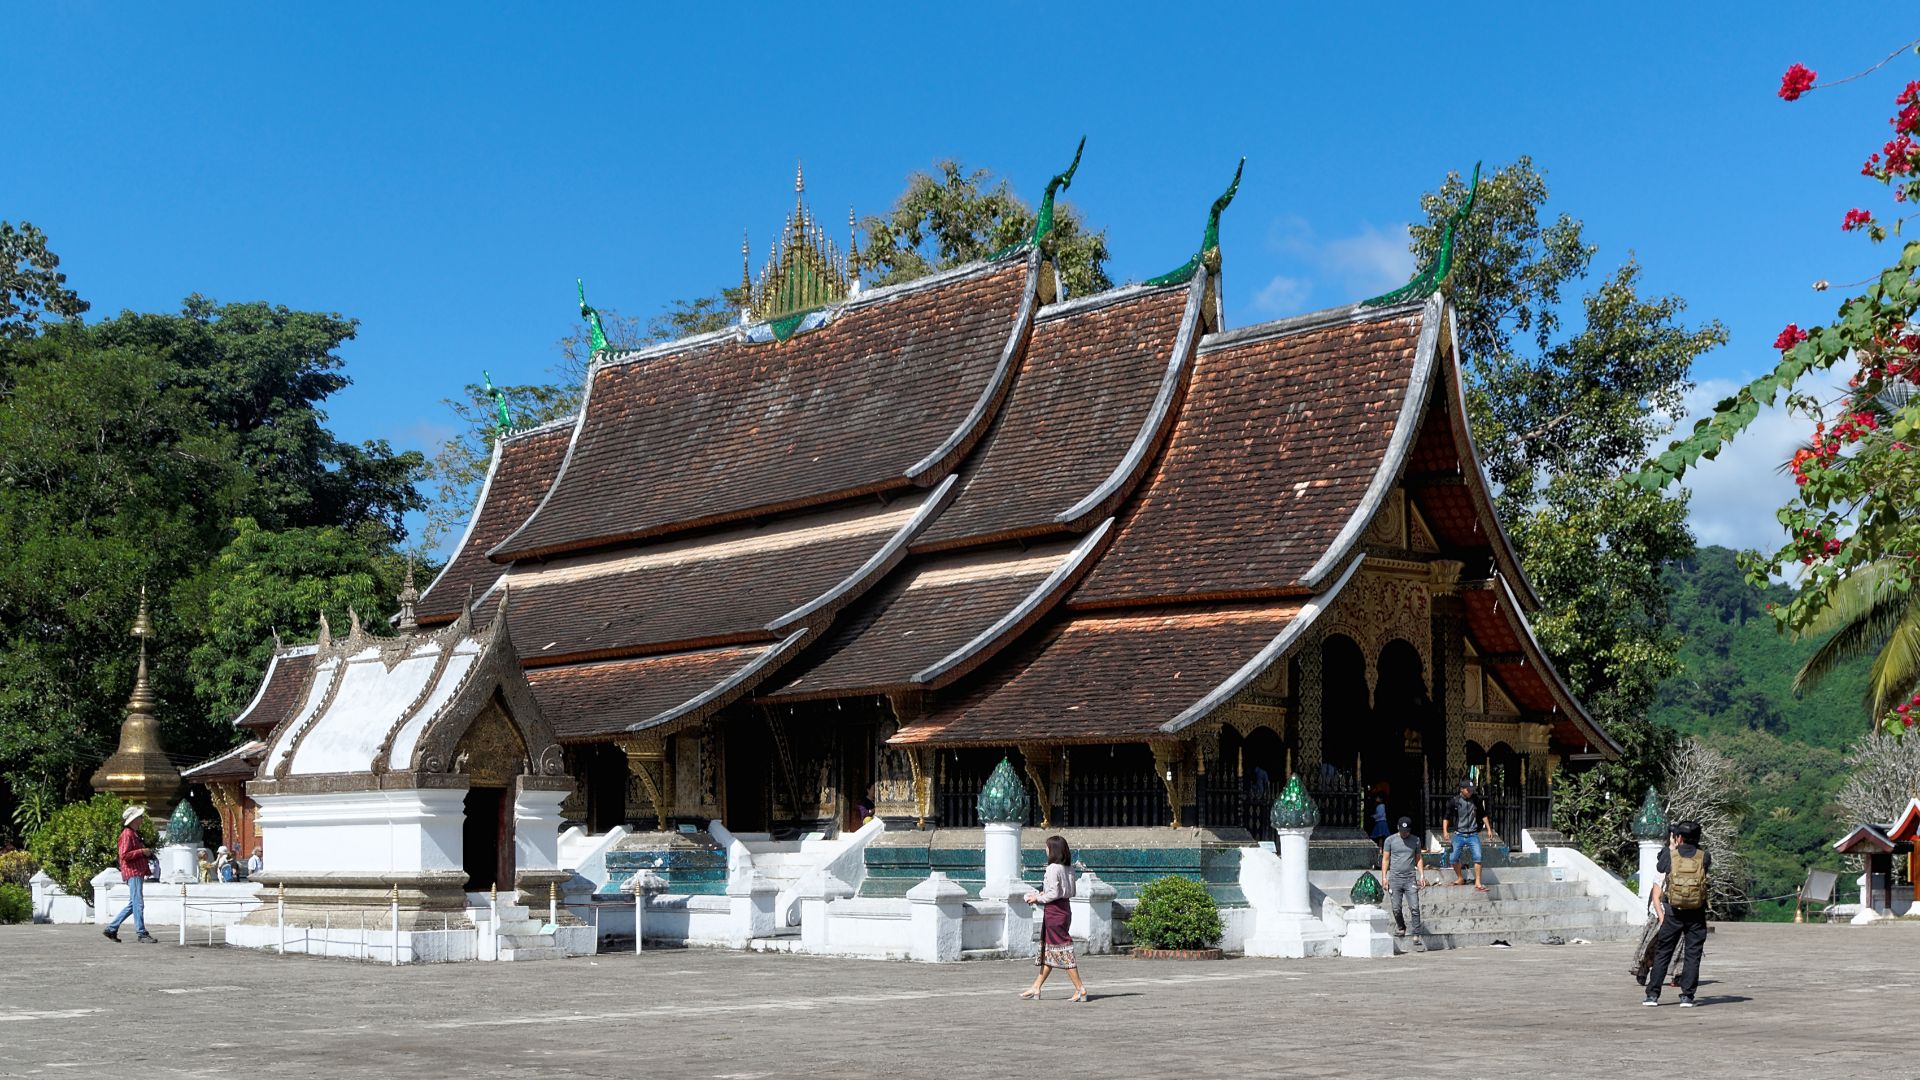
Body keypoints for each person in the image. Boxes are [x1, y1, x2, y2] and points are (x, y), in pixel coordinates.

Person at [1643, 820, 1712, 1008]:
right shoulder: (1704, 856)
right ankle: (1687, 996)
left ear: (1678, 837)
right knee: (1693, 953)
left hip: (1673, 911)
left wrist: (1672, 847)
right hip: (1696, 912)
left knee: (1663, 952)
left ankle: (1653, 994)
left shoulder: (1670, 855)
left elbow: (1660, 868)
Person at [1020, 835, 1088, 1002]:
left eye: (1047, 847)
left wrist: (1036, 898)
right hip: (1065, 910)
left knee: (1063, 949)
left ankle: (1080, 988)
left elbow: (1053, 894)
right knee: (1052, 950)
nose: (1046, 850)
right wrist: (1041, 894)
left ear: (1053, 850)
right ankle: (1036, 987)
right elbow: (1068, 892)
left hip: (1054, 912)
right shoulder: (1069, 868)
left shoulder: (1052, 868)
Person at [104, 806, 158, 943]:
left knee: (133, 903)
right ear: (134, 819)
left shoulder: (132, 834)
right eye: (140, 817)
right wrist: (142, 852)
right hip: (133, 872)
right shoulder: (127, 834)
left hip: (135, 872)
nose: (141, 819)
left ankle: (112, 928)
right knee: (138, 903)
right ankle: (141, 932)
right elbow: (124, 855)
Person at [1380, 816, 1428, 948]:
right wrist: (1384, 877)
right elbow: (1385, 859)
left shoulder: (1416, 840)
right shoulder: (1390, 840)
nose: (1404, 833)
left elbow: (1418, 858)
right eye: (1402, 831)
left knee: (1414, 907)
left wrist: (1422, 875)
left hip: (1409, 878)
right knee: (1396, 908)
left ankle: (1416, 934)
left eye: (1407, 831)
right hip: (1395, 879)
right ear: (1398, 828)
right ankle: (1401, 927)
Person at [1440, 779, 1491, 892]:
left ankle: (1478, 882)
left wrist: (1488, 829)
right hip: (1459, 834)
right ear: (1462, 789)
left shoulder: (1476, 800)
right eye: (1468, 790)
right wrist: (1445, 831)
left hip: (1473, 834)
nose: (1470, 792)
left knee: (1478, 857)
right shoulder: (1454, 801)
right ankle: (1460, 878)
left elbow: (1483, 815)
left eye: (1472, 790)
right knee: (1453, 859)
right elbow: (1446, 817)